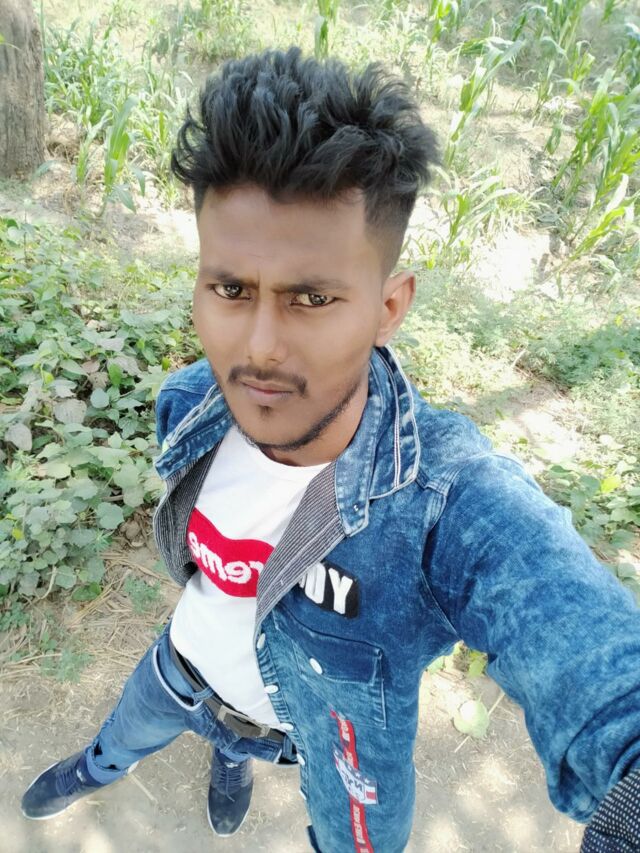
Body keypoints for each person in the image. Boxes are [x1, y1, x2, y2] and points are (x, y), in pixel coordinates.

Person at [21, 46, 640, 852]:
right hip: (179, 670)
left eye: (312, 297)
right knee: (122, 737)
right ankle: (96, 767)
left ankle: (235, 758)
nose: (259, 348)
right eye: (231, 289)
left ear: (388, 308)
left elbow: (602, 678)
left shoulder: (447, 509)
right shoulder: (190, 405)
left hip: (316, 744)